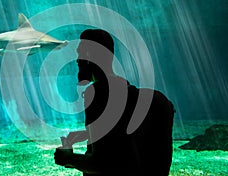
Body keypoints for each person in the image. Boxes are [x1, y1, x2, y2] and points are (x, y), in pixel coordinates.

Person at [54, 29, 175, 175]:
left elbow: (104, 163)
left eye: (79, 53)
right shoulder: (141, 97)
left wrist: (68, 158)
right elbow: (125, 133)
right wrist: (90, 133)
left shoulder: (97, 94)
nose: (77, 60)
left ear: (88, 57)